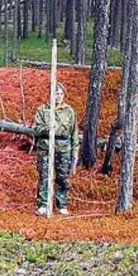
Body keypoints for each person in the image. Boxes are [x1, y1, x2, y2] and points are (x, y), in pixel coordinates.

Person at [32, 83, 79, 216]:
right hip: (45, 147)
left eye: (60, 94)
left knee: (63, 177)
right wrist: (48, 128)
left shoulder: (69, 111)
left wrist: (75, 151)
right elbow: (36, 129)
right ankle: (43, 204)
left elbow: (74, 133)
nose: (58, 96)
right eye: (55, 93)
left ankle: (62, 204)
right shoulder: (42, 110)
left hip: (64, 148)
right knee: (45, 175)